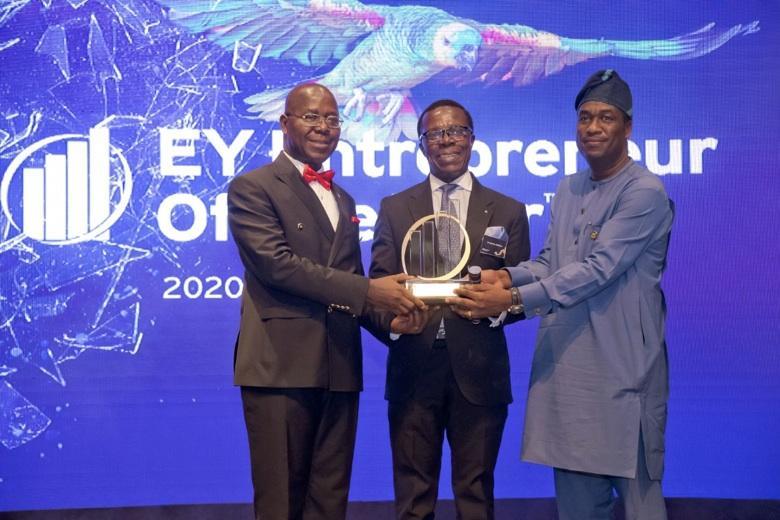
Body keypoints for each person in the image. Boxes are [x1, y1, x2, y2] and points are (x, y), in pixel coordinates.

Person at [448, 70, 674, 519]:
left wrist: (512, 302)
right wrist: (507, 278)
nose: (592, 128)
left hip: (623, 375)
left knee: (640, 508)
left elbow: (598, 270)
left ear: (627, 127)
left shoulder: (644, 191)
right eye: (584, 118)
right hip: (569, 376)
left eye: (605, 118)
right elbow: (553, 262)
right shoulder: (570, 187)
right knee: (576, 508)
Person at [227, 83, 425, 520]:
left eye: (332, 119)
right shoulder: (252, 187)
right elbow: (276, 265)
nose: (323, 127)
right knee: (281, 503)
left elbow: (350, 281)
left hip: (338, 368)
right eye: (311, 117)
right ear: (285, 124)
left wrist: (392, 323)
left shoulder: (344, 199)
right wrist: (371, 292)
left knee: (328, 503)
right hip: (280, 368)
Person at [369, 99, 530, 519]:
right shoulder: (394, 207)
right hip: (412, 368)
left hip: (480, 371)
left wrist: (493, 308)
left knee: (475, 495)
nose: (446, 140)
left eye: (456, 130)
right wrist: (395, 322)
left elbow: (523, 290)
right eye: (435, 133)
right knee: (412, 498)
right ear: (422, 145)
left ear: (472, 139)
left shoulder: (509, 210)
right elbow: (378, 289)